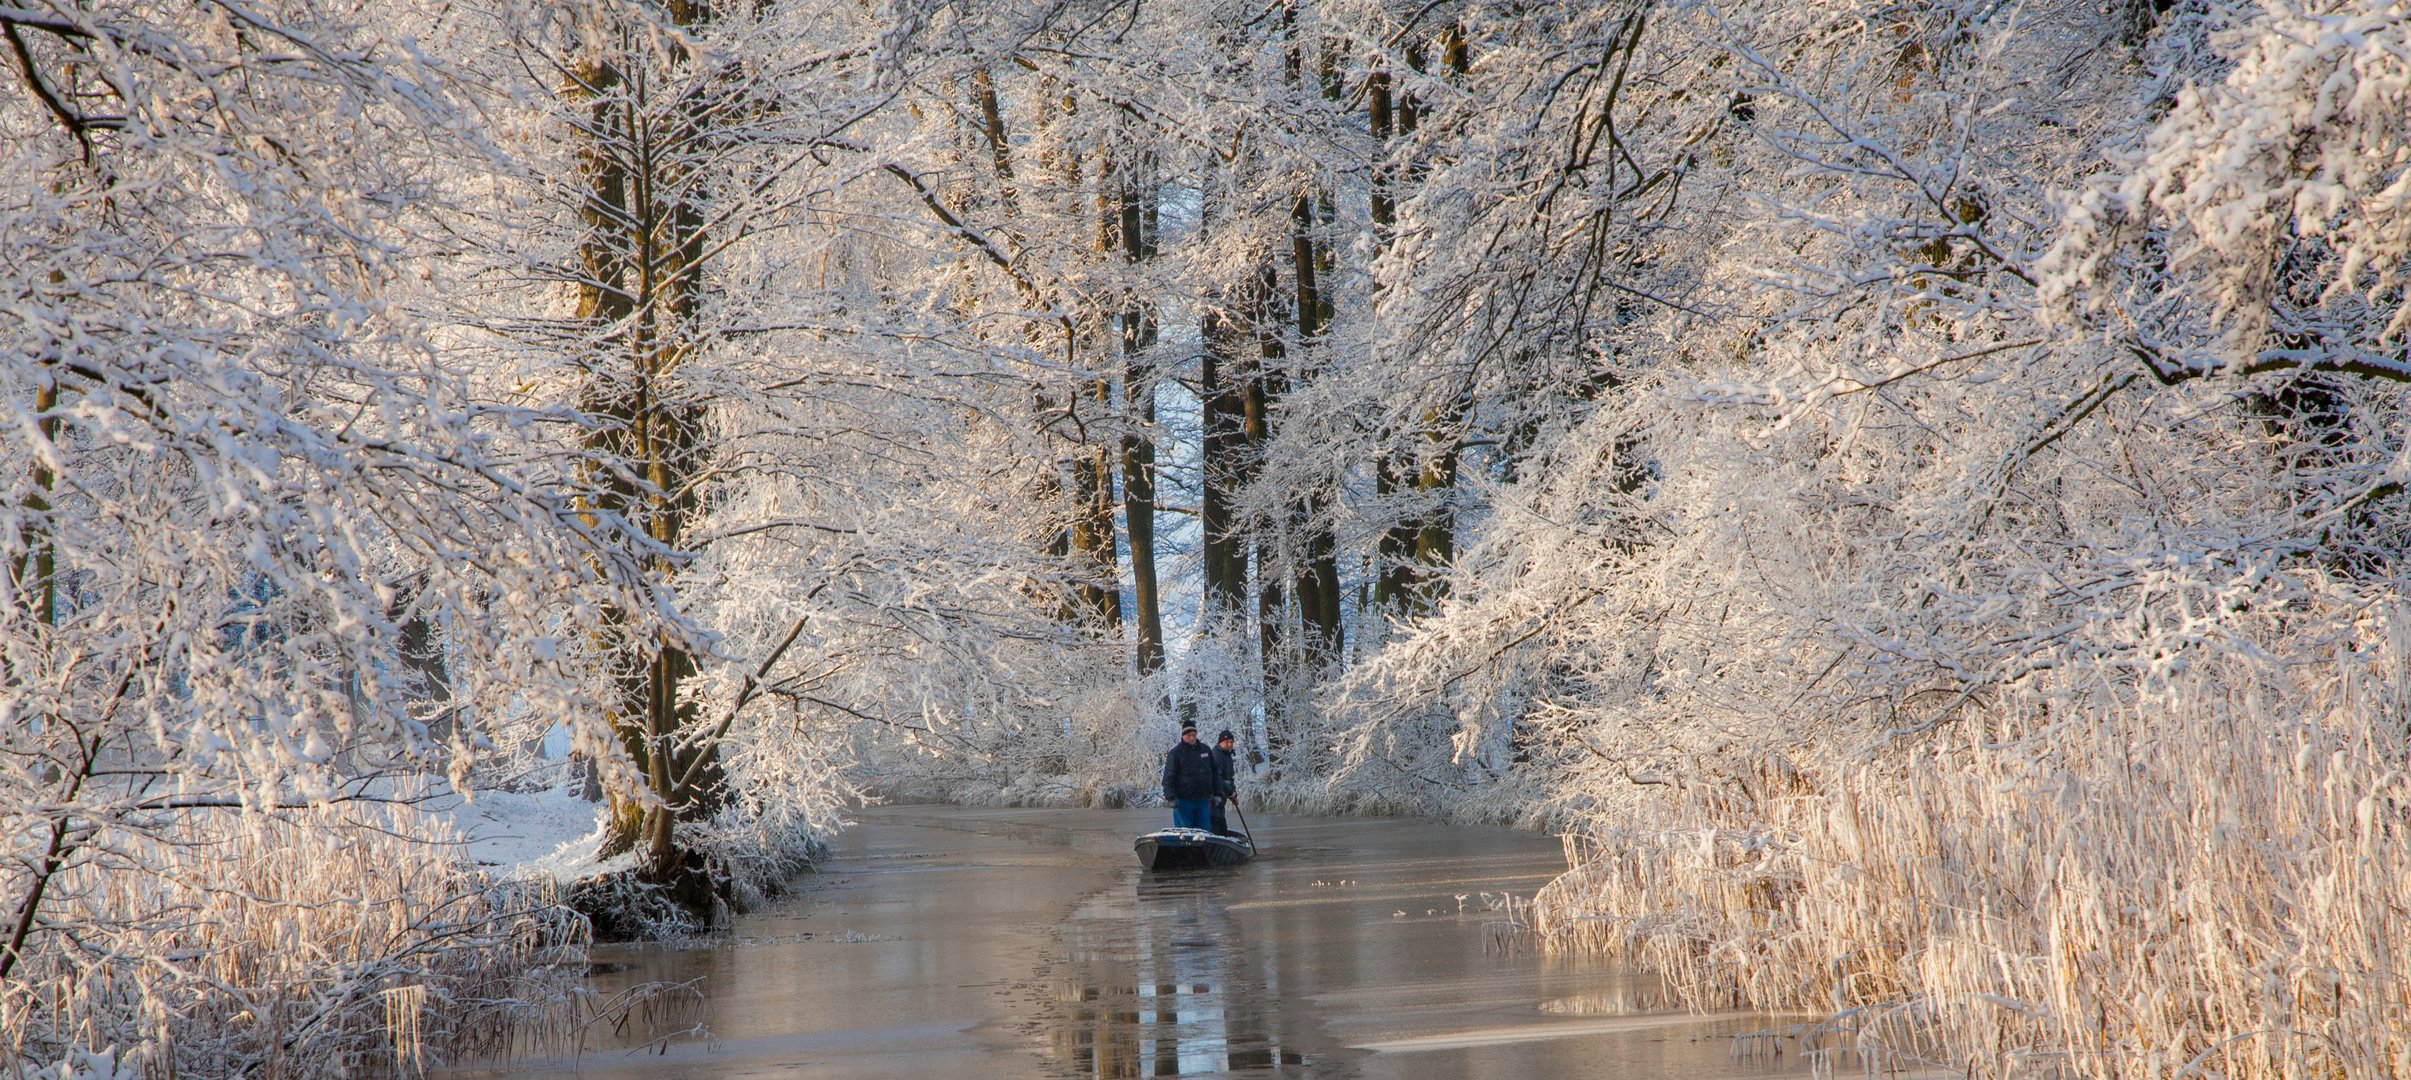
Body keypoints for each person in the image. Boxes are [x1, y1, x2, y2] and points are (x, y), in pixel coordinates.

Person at [1160, 721, 1219, 831]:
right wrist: (1170, 797)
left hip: (1203, 799)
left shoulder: (1205, 750)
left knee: (1205, 829)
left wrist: (1217, 793)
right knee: (1184, 831)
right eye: (1189, 735)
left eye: (1194, 735)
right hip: (1183, 800)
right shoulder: (1175, 753)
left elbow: (1215, 772)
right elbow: (1169, 776)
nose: (1192, 738)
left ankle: (1204, 848)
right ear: (1183, 736)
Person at [1209, 729, 1240, 837]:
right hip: (1215, 796)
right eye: (1227, 742)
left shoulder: (1228, 756)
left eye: (1231, 742)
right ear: (1220, 743)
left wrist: (1233, 794)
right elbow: (1218, 778)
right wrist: (1231, 792)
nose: (1229, 744)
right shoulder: (1217, 755)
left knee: (1220, 821)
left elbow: (1229, 778)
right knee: (1216, 822)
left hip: (1222, 797)